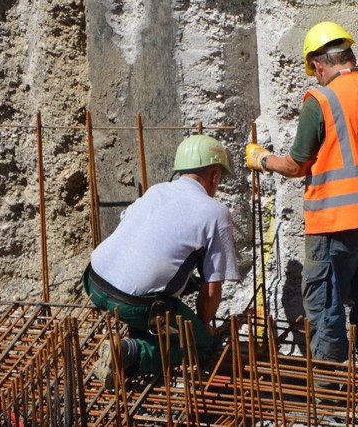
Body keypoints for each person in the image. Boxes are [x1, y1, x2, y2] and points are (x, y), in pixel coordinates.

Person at [246, 21, 358, 370]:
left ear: (319, 65)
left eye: (314, 71)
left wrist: (262, 159)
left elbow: (296, 167)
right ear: (350, 57)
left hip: (336, 222)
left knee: (324, 302)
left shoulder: (320, 100)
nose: (316, 77)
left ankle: (329, 387)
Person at [83, 134, 240, 380]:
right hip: (133, 303)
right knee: (199, 344)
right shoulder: (216, 213)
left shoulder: (156, 191)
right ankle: (130, 354)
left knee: (152, 299)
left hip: (93, 281)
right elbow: (212, 290)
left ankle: (136, 340)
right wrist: (201, 327)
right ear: (215, 176)